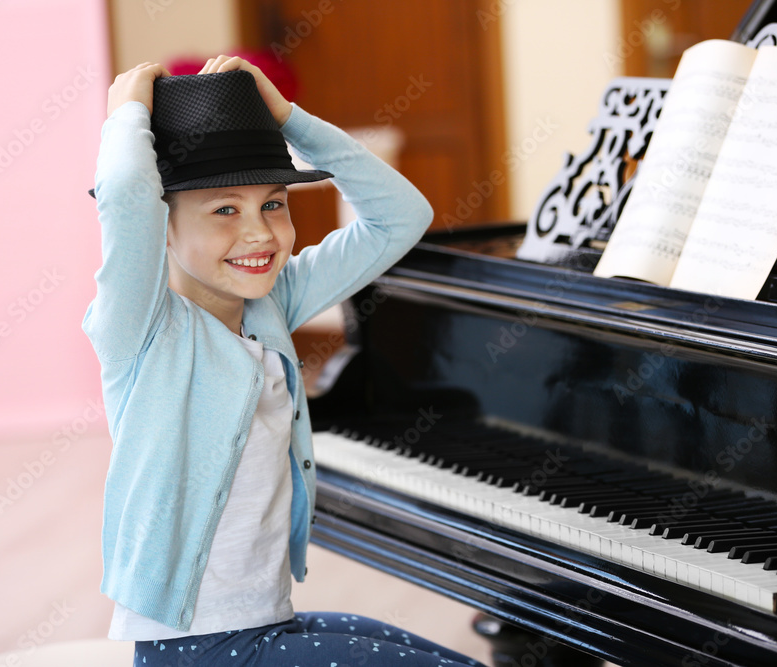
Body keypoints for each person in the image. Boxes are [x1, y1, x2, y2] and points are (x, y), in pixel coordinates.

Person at [82, 54, 486, 667]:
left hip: (266, 622)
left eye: (273, 204)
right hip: (196, 648)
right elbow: (128, 199)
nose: (261, 233)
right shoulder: (140, 330)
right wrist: (129, 114)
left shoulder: (271, 305)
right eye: (225, 210)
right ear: (163, 226)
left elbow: (401, 218)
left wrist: (291, 119)